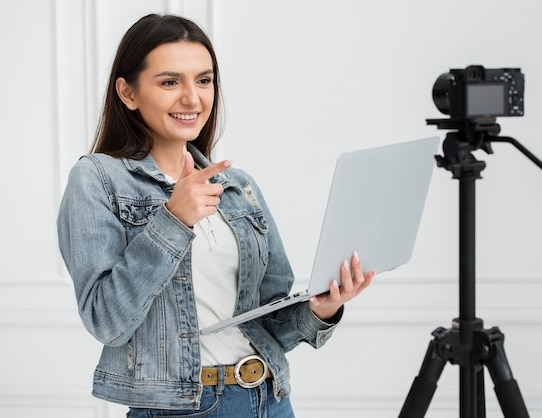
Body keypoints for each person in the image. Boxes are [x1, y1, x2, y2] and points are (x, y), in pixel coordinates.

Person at [57, 13, 375, 418]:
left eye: (204, 80)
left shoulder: (237, 185)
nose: (193, 98)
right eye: (170, 81)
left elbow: (271, 320)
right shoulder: (97, 179)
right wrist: (173, 220)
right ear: (128, 92)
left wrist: (322, 309)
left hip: (269, 398)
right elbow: (106, 321)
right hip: (183, 408)